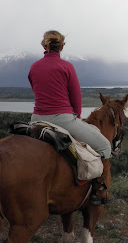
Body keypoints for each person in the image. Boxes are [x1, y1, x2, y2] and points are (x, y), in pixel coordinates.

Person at [28, 30, 112, 204]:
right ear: (62, 47)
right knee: (104, 145)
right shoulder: (67, 67)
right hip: (63, 119)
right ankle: (98, 191)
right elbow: (76, 98)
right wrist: (77, 118)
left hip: (36, 119)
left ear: (44, 45)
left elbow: (36, 90)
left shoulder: (34, 67)